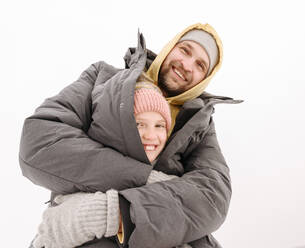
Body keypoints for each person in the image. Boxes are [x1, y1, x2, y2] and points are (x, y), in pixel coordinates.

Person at [20, 23, 242, 248]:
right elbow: (41, 143)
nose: (186, 65)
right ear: (169, 48)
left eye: (200, 65)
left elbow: (213, 197)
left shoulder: (199, 124)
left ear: (205, 79)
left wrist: (115, 212)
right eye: (185, 50)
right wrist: (147, 179)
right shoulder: (102, 77)